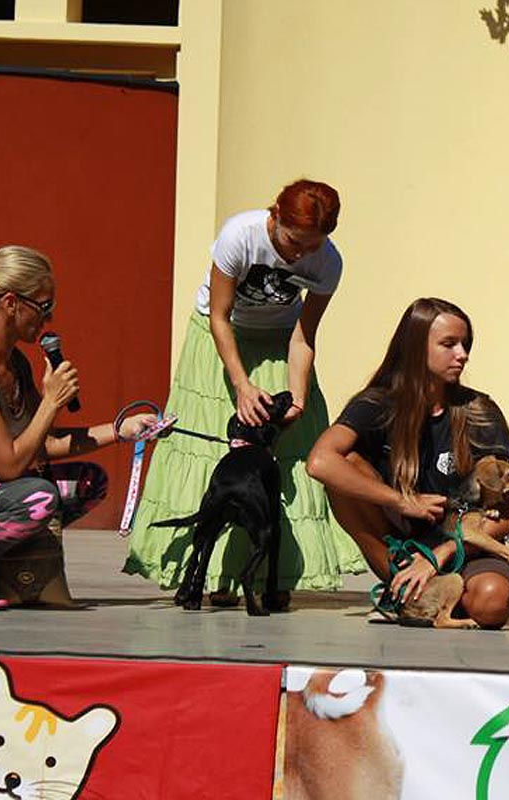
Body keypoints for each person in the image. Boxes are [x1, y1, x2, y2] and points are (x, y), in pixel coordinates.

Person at [124, 179, 365, 601]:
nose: (300, 254)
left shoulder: (329, 262)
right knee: (218, 457)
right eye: (294, 242)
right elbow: (219, 315)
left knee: (284, 460)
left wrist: (298, 398)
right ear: (276, 217)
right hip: (221, 338)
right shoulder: (241, 234)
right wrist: (241, 384)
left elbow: (304, 337)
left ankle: (271, 576)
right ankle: (214, 578)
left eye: (312, 245)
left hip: (279, 341)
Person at [306, 298, 509, 629]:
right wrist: (401, 501)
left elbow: (507, 518)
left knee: (491, 603)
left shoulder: (479, 410)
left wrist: (440, 555)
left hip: (465, 547)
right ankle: (403, 584)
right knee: (345, 463)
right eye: (449, 344)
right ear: (415, 347)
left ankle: (430, 597)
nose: (462, 354)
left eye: (465, 344)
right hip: (402, 544)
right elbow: (320, 462)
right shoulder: (377, 404)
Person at [0, 246, 154, 609]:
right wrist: (51, 402)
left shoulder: (16, 363)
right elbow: (8, 464)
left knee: (89, 482)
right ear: (11, 303)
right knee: (39, 498)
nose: (50, 318)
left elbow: (42, 444)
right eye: (44, 306)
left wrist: (121, 429)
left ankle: (1, 561)